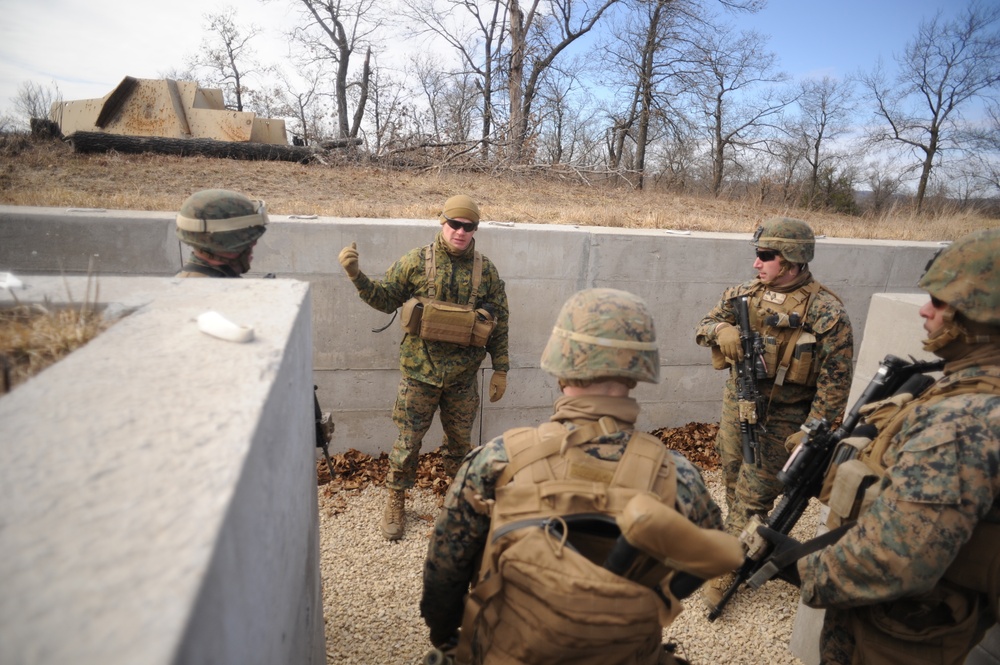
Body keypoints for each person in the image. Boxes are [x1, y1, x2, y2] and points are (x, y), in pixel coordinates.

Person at [421, 288, 737, 664]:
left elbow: (444, 575)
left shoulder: (497, 461)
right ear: (637, 373)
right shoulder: (677, 476)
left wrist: (448, 637)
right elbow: (707, 557)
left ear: (560, 365)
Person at [759, 228, 1000, 664]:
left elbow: (896, 559)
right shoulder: (963, 388)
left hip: (902, 627)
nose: (925, 310)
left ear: (980, 315)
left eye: (941, 302)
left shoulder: (962, 422)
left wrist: (794, 568)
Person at [694, 217, 854, 606]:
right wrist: (721, 332)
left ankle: (728, 564)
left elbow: (836, 380)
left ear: (793, 260)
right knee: (733, 473)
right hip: (739, 404)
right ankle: (745, 536)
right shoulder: (742, 295)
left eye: (766, 256)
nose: (756, 264)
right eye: (757, 255)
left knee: (755, 494)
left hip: (785, 417)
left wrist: (811, 429)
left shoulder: (826, 312)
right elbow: (704, 326)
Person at [337, 194, 509, 541]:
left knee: (460, 446)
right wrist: (357, 276)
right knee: (407, 442)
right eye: (454, 224)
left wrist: (501, 367)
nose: (460, 232)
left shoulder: (486, 270)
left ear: (476, 229)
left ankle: (457, 502)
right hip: (420, 374)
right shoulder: (416, 261)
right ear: (442, 222)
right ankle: (396, 501)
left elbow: (499, 321)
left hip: (462, 378)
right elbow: (386, 299)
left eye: (469, 226)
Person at [174, 189, 268, 277]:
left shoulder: (179, 280)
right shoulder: (230, 293)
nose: (254, 243)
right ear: (230, 243)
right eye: (249, 240)